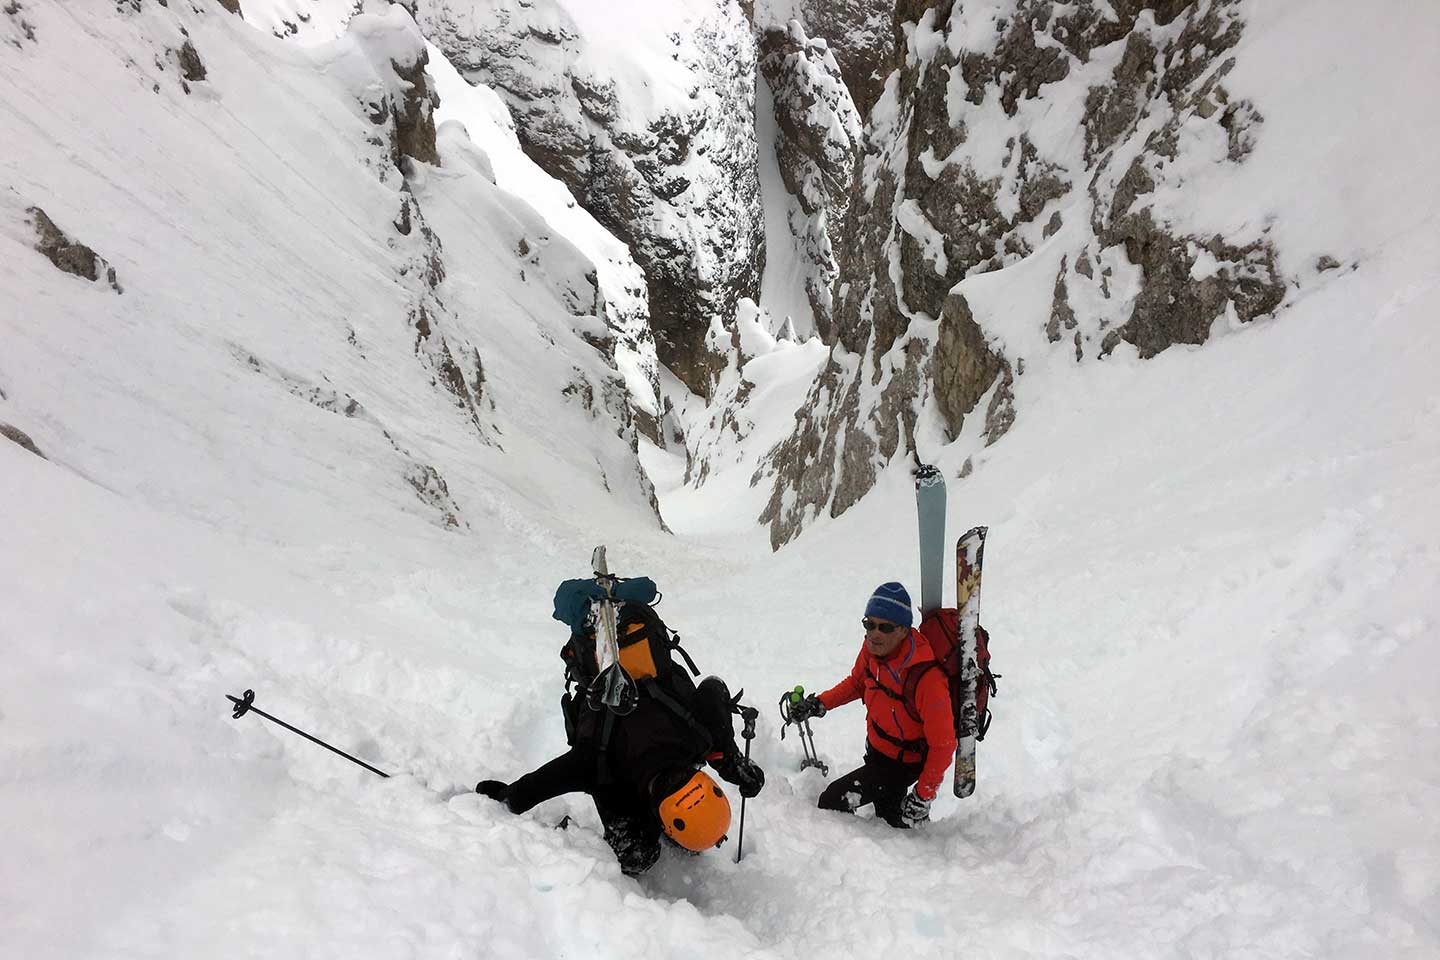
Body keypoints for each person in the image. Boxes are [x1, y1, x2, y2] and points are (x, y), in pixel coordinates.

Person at [476, 584, 764, 876]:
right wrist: (730, 761)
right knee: (636, 856)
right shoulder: (605, 767)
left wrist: (731, 762)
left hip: (644, 722)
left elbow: (713, 691)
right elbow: (548, 780)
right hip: (616, 748)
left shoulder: (696, 737)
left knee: (638, 848)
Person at [787, 582, 956, 829]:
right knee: (890, 818)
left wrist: (923, 795)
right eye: (870, 624)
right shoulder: (873, 650)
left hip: (901, 764)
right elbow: (857, 684)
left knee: (832, 801)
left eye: (885, 627)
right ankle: (901, 825)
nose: (874, 633)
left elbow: (943, 744)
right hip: (877, 751)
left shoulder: (926, 678)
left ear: (904, 630)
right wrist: (819, 704)